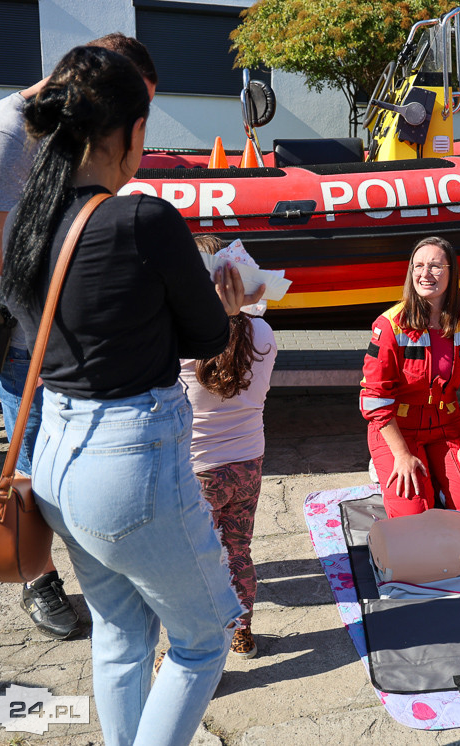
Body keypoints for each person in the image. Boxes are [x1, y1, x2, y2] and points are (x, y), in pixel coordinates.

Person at [3, 46, 247, 746]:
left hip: (55, 454)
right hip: (130, 462)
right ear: (131, 132)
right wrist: (224, 306)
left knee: (118, 634)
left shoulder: (29, 222)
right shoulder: (144, 220)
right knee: (203, 640)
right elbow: (206, 339)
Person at [0, 32, 158, 641]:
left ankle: (93, 566)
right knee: (29, 460)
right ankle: (35, 579)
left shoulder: (74, 132)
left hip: (61, 324)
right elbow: (1, 262)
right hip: (19, 336)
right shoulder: (1, 136)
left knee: (68, 456)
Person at [178, 235, 276, 660]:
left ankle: (197, 647)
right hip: (248, 463)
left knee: (194, 565)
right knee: (239, 552)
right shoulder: (265, 334)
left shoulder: (182, 342)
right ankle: (242, 631)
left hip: (196, 470)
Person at [360, 236, 460, 521]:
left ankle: (438, 471)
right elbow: (375, 400)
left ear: (452, 272)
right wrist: (400, 454)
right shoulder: (389, 325)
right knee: (415, 516)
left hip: (447, 425)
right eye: (418, 266)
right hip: (398, 428)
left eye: (436, 266)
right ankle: (386, 462)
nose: (425, 274)